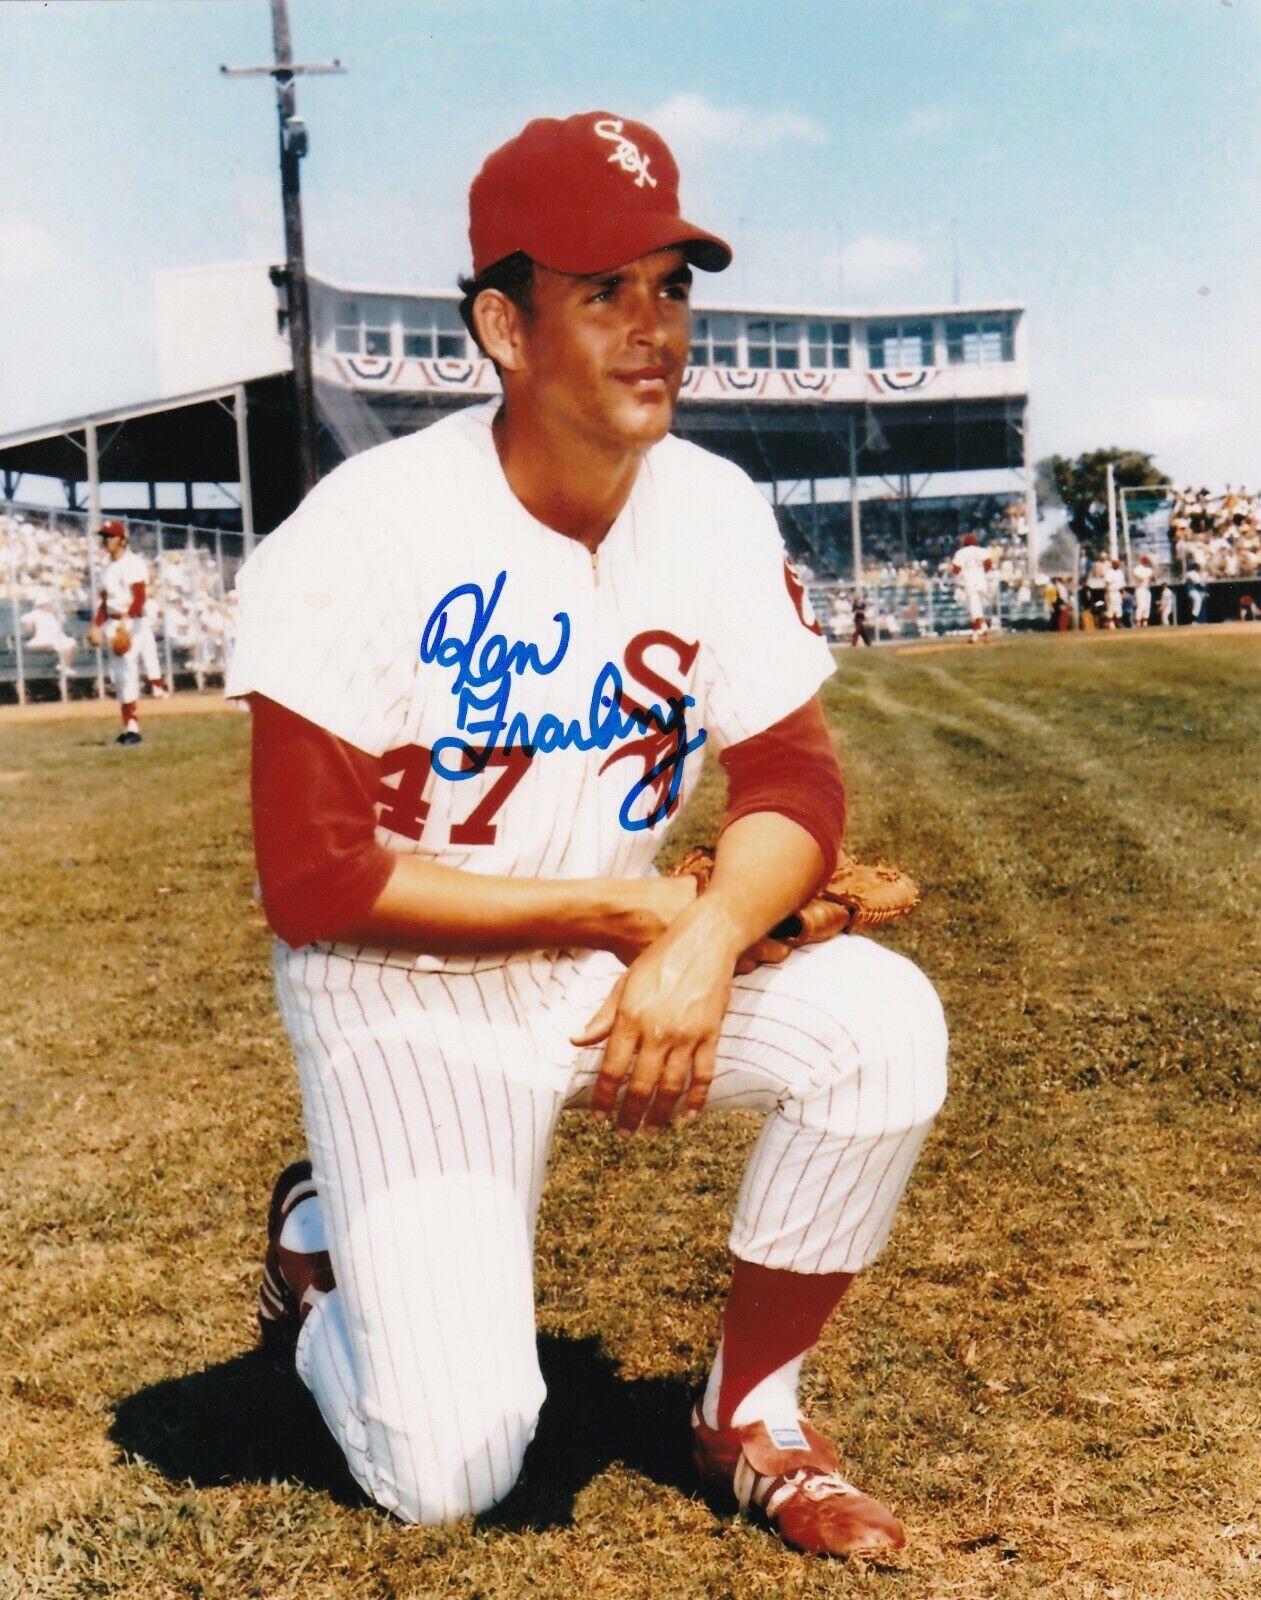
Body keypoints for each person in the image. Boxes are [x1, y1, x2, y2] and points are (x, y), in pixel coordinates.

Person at [227, 110, 947, 1559]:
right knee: (452, 1470)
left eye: (673, 287)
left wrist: (705, 935)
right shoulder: (359, 534)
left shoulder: (716, 510)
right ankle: (322, 1278)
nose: (653, 328)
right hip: (401, 994)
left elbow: (796, 791)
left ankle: (752, 1413)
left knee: (881, 1026)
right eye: (602, 290)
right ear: (501, 323)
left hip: (609, 960)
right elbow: (315, 881)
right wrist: (641, 925)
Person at [86, 519, 166, 745]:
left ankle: (132, 727)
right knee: (120, 677)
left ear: (122, 539)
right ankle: (128, 726)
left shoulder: (133, 563)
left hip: (132, 623)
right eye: (104, 536)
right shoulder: (107, 568)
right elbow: (104, 602)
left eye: (110, 536)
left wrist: (126, 621)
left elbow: (140, 597)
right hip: (114, 622)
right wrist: (96, 624)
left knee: (127, 674)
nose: (106, 541)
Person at [949, 532, 992, 642]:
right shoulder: (982, 551)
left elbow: (955, 569)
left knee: (974, 610)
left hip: (970, 582)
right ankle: (984, 630)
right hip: (982, 581)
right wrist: (982, 572)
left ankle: (975, 635)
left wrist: (957, 579)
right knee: (977, 609)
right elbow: (988, 565)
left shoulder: (960, 553)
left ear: (964, 542)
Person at [1132, 554, 1156, 627]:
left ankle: (1145, 622)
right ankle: (1138, 621)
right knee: (1141, 605)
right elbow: (1139, 577)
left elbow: (1154, 580)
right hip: (1140, 589)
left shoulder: (1149, 569)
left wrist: (1153, 575)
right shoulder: (1137, 569)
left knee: (1147, 606)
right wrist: (1148, 576)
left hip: (1147, 589)